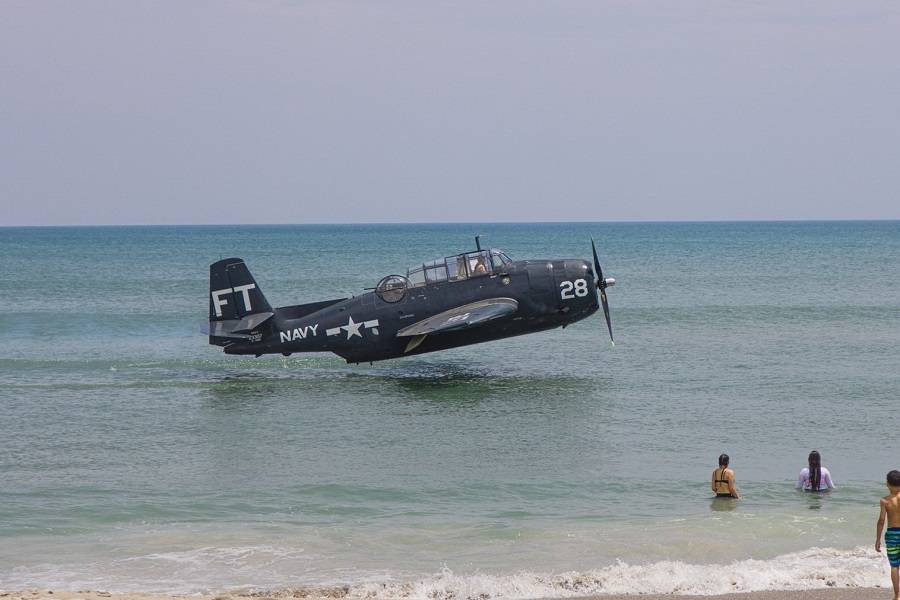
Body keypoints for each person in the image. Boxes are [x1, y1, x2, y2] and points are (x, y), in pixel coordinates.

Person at [875, 470, 900, 600]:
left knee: (895, 566)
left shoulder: (885, 501)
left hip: (892, 535)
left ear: (887, 484)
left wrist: (878, 539)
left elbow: (881, 521)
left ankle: (897, 596)